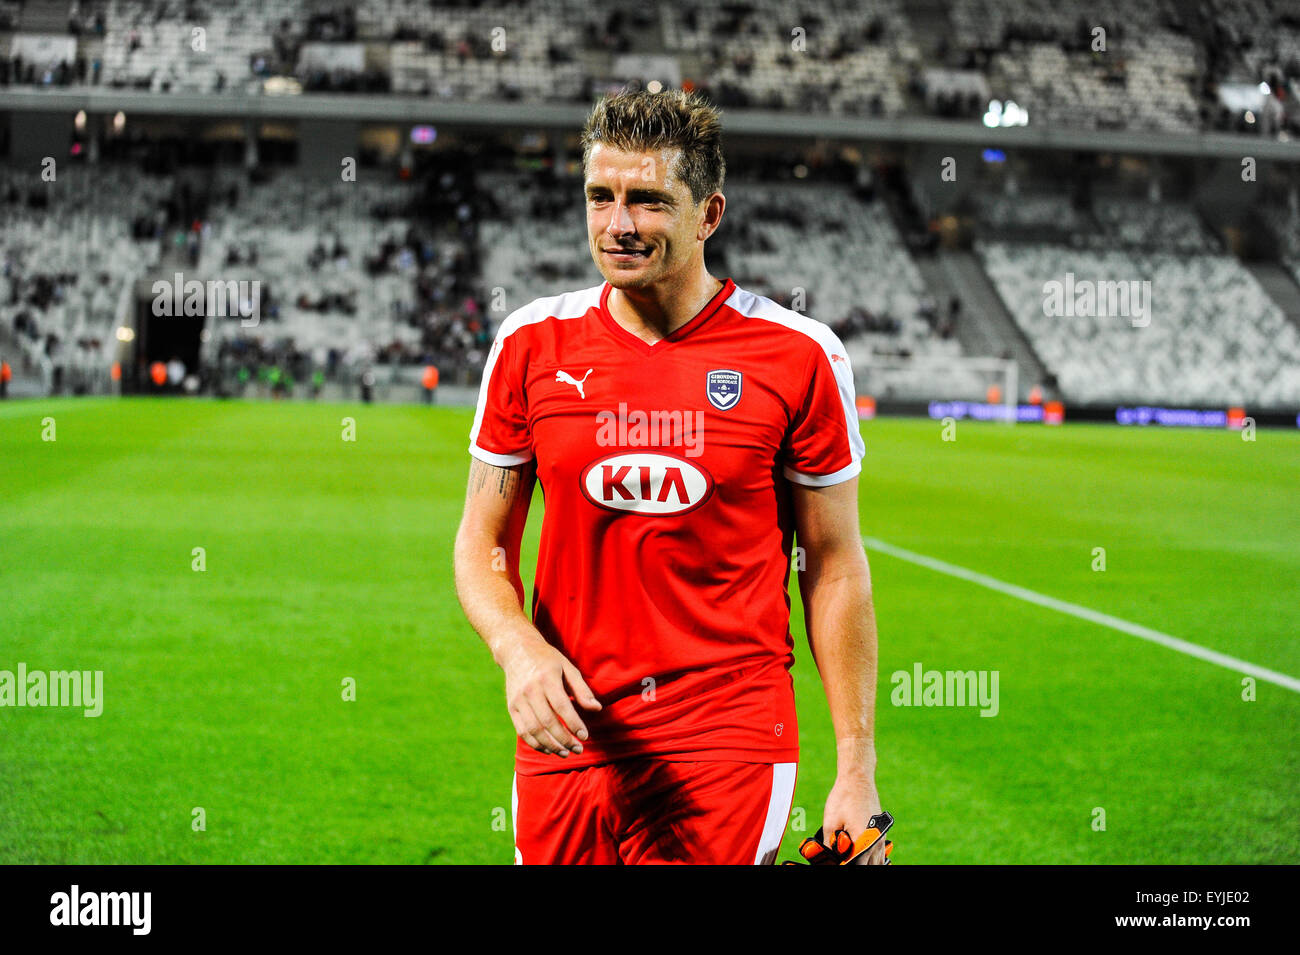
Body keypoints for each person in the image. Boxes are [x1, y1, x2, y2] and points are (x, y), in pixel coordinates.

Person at [454, 90, 882, 865]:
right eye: (600, 197)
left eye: (648, 200)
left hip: (727, 738)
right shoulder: (529, 345)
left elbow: (835, 564)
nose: (618, 225)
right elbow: (482, 543)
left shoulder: (800, 356)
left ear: (708, 215)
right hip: (568, 731)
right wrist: (516, 646)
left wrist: (856, 767)